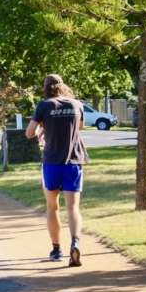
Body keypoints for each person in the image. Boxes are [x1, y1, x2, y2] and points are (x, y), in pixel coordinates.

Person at [26, 73, 89, 267]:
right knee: (73, 207)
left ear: (45, 88)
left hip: (52, 161)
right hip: (74, 160)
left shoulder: (44, 105)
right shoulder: (76, 104)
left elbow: (29, 133)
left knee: (52, 206)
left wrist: (42, 129)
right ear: (62, 86)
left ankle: (56, 249)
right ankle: (76, 242)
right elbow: (80, 127)